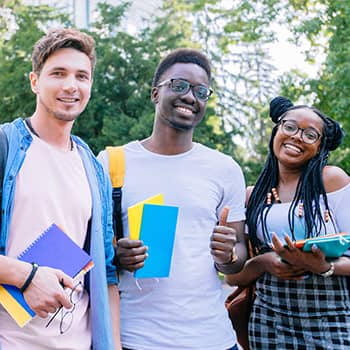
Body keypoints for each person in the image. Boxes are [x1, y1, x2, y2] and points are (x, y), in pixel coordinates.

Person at [98, 48, 247, 350]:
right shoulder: (111, 163)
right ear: (155, 93)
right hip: (134, 339)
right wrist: (117, 255)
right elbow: (90, 247)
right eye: (179, 85)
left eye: (201, 91)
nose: (190, 97)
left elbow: (238, 260)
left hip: (212, 338)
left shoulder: (224, 168)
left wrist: (228, 256)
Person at [0, 28, 121, 350]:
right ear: (34, 81)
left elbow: (106, 273)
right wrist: (25, 276)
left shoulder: (94, 168)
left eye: (82, 76)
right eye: (58, 73)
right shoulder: (4, 147)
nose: (71, 85)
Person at [226, 96, 350, 349]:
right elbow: (233, 277)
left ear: (321, 146)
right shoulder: (253, 195)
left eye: (310, 134)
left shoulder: (332, 181)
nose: (296, 137)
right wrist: (263, 262)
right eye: (290, 127)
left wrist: (322, 266)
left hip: (331, 319)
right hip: (268, 322)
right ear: (277, 130)